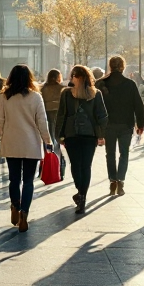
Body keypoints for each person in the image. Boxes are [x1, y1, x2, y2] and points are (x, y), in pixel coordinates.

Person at [0, 65, 53, 232]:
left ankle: (14, 206)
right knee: (28, 181)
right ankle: (24, 214)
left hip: (11, 142)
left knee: (14, 179)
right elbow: (42, 122)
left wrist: (2, 135)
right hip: (31, 144)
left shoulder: (4, 97)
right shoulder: (36, 97)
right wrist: (47, 140)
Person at [54, 65, 108, 215]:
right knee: (82, 166)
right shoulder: (90, 94)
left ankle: (81, 194)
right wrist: (101, 134)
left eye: (74, 76)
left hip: (77, 135)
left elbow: (61, 115)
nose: (73, 78)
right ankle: (82, 195)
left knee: (80, 166)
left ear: (78, 77)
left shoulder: (73, 93)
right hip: (83, 135)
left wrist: (59, 134)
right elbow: (102, 116)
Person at [95, 56, 144, 196]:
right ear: (123, 67)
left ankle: (112, 181)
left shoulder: (101, 84)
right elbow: (138, 106)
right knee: (124, 154)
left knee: (110, 154)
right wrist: (140, 124)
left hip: (108, 125)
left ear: (110, 66)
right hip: (125, 124)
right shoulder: (130, 84)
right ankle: (121, 182)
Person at [40, 69, 64, 138]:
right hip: (58, 110)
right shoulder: (62, 88)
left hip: (46, 110)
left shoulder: (42, 88)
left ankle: (50, 145)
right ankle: (57, 145)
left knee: (49, 129)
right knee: (58, 129)